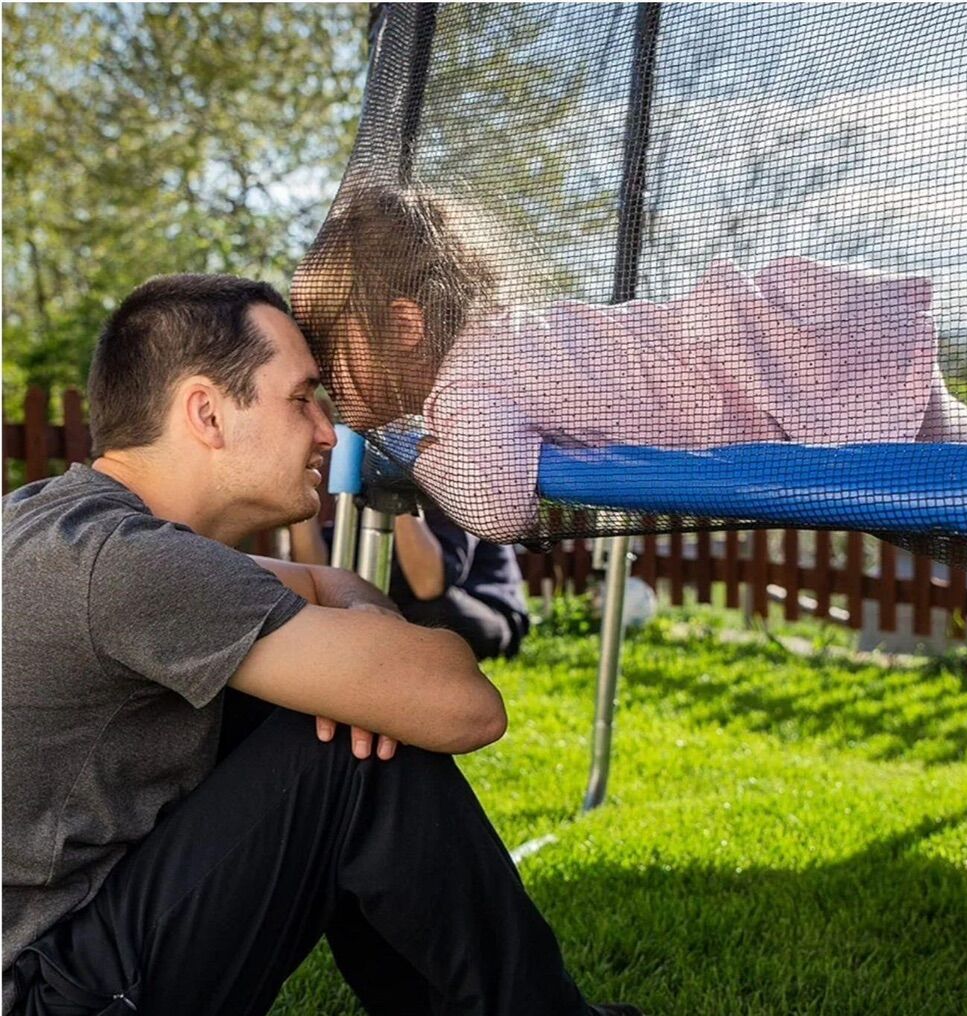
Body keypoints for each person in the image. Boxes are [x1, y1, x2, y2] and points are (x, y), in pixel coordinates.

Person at [1, 274, 642, 1016]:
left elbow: (327, 581)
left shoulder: (58, 522)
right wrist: (370, 677)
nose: (329, 432)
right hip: (45, 989)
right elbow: (465, 706)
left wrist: (360, 658)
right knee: (349, 751)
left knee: (337, 707)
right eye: (302, 398)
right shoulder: (132, 566)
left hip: (57, 959)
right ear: (207, 412)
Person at [290, 182, 967, 542]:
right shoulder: (504, 342)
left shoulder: (469, 383)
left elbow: (499, 509)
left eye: (327, 344)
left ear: (405, 326)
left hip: (793, 372)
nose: (318, 367)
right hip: (777, 351)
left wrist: (424, 459)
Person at [290, 507, 530, 660]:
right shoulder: (352, 489)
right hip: (405, 606)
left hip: (481, 612)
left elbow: (428, 585)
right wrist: (301, 509)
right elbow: (320, 576)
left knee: (426, 611)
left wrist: (398, 496)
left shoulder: (458, 484)